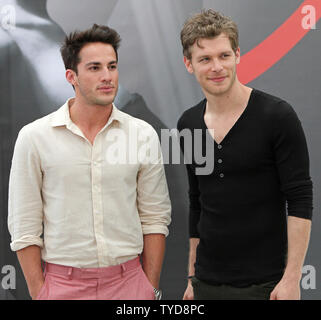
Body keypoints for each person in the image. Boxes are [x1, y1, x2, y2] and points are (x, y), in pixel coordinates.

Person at [8, 24, 171, 300]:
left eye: (112, 66)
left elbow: (155, 218)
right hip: (62, 286)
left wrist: (149, 288)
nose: (107, 77)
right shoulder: (34, 137)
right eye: (95, 68)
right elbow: (24, 226)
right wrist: (40, 293)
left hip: (130, 285)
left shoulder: (142, 134)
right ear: (71, 76)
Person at [177, 9, 313, 300]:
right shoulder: (187, 123)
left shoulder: (277, 116)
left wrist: (292, 278)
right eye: (205, 59)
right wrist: (192, 278)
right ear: (189, 64)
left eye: (224, 55)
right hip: (206, 283)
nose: (217, 67)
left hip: (266, 284)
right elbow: (196, 202)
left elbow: (300, 199)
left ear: (237, 55)